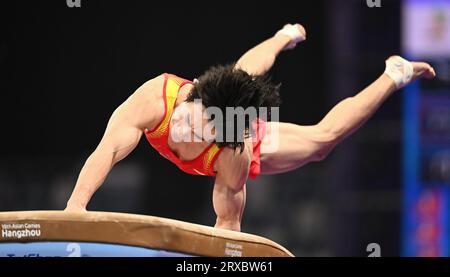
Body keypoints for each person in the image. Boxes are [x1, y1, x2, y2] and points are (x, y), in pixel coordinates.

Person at [65, 23, 436, 232]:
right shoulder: (155, 100)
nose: (181, 129)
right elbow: (108, 151)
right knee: (240, 75)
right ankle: (283, 36)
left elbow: (227, 223)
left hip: (240, 131)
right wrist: (75, 208)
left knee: (322, 141)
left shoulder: (232, 150)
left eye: (197, 132)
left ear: (218, 136)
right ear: (192, 97)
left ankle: (394, 73)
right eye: (187, 118)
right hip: (217, 103)